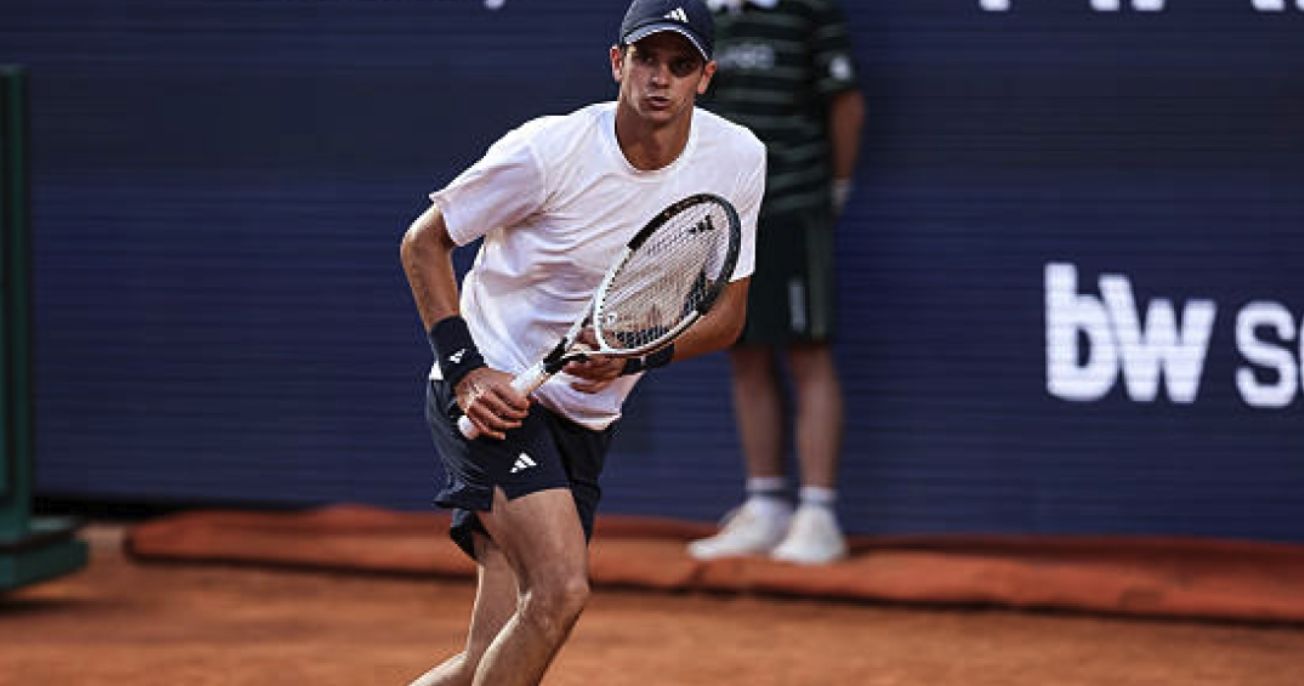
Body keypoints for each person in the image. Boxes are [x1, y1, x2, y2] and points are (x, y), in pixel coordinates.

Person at [399, 1, 765, 683]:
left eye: (680, 64)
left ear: (705, 77)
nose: (661, 78)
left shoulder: (739, 157)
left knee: (487, 660)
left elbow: (727, 316)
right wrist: (467, 372)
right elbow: (424, 243)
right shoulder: (548, 151)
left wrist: (636, 356)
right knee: (560, 591)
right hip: (493, 396)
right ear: (618, 63)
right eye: (647, 58)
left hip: (587, 419)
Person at [687, 0, 865, 565]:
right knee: (743, 352)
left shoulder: (809, 10)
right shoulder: (702, 16)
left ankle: (819, 514)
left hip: (793, 207)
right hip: (727, 216)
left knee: (808, 353)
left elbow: (846, 102)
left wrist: (835, 188)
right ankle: (766, 505)